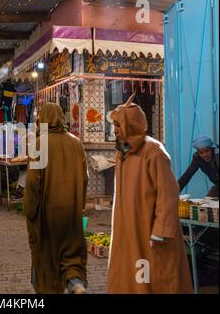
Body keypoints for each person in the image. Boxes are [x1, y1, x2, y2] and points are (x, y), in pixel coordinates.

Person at [106, 95, 193, 294]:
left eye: (119, 125)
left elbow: (168, 192)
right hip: (129, 229)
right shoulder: (123, 153)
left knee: (155, 278)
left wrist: (161, 228)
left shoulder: (154, 152)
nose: (116, 130)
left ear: (131, 124)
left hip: (150, 232)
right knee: (132, 275)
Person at [23, 103, 88, 294]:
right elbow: (85, 179)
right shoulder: (76, 143)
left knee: (45, 257)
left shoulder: (38, 143)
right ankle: (75, 283)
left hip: (47, 215)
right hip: (72, 213)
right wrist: (79, 206)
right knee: (71, 256)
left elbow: (34, 183)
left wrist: (30, 211)